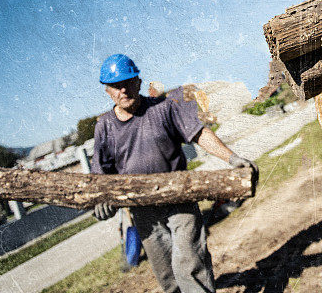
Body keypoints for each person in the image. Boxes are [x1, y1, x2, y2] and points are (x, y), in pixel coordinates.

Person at [90, 54, 255, 293]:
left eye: (128, 82)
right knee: (168, 277)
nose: (123, 90)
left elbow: (199, 133)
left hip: (180, 200)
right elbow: (99, 171)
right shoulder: (104, 126)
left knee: (189, 266)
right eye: (116, 86)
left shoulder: (163, 108)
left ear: (138, 80)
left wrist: (232, 158)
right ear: (107, 91)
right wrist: (100, 199)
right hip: (142, 210)